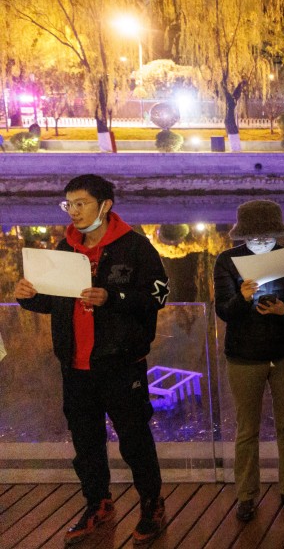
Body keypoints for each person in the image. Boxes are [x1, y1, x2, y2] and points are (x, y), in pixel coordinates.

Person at [14, 174, 169, 545]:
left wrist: (112, 298)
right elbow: (51, 301)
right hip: (75, 365)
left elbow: (159, 296)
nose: (75, 212)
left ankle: (152, 505)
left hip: (120, 362)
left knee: (134, 439)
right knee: (86, 442)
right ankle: (98, 503)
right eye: (69, 204)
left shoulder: (135, 247)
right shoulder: (64, 248)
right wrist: (27, 296)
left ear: (105, 205)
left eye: (82, 203)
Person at [214, 200, 284, 522]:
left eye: (267, 235)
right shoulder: (227, 261)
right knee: (247, 429)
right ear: (242, 235)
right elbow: (223, 312)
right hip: (244, 356)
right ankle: (246, 495)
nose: (261, 241)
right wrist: (242, 298)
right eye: (254, 236)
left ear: (277, 233)